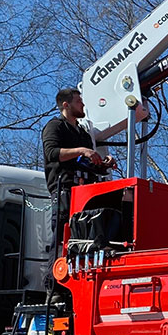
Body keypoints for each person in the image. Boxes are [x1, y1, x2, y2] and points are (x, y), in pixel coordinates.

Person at [42, 87, 115, 249]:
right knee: (63, 236)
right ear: (66, 105)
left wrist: (103, 164)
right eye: (78, 102)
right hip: (64, 190)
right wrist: (82, 150)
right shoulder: (55, 126)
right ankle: (53, 273)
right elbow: (52, 153)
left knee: (85, 235)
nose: (83, 105)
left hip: (86, 192)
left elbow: (89, 165)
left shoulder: (83, 134)